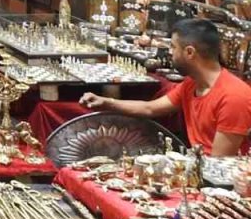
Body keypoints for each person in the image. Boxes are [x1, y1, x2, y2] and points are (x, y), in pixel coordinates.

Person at [81, 19, 251, 156]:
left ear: (190, 52)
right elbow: (149, 108)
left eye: (173, 47)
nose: (169, 52)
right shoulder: (191, 84)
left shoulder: (233, 96)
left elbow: (220, 163)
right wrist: (106, 102)